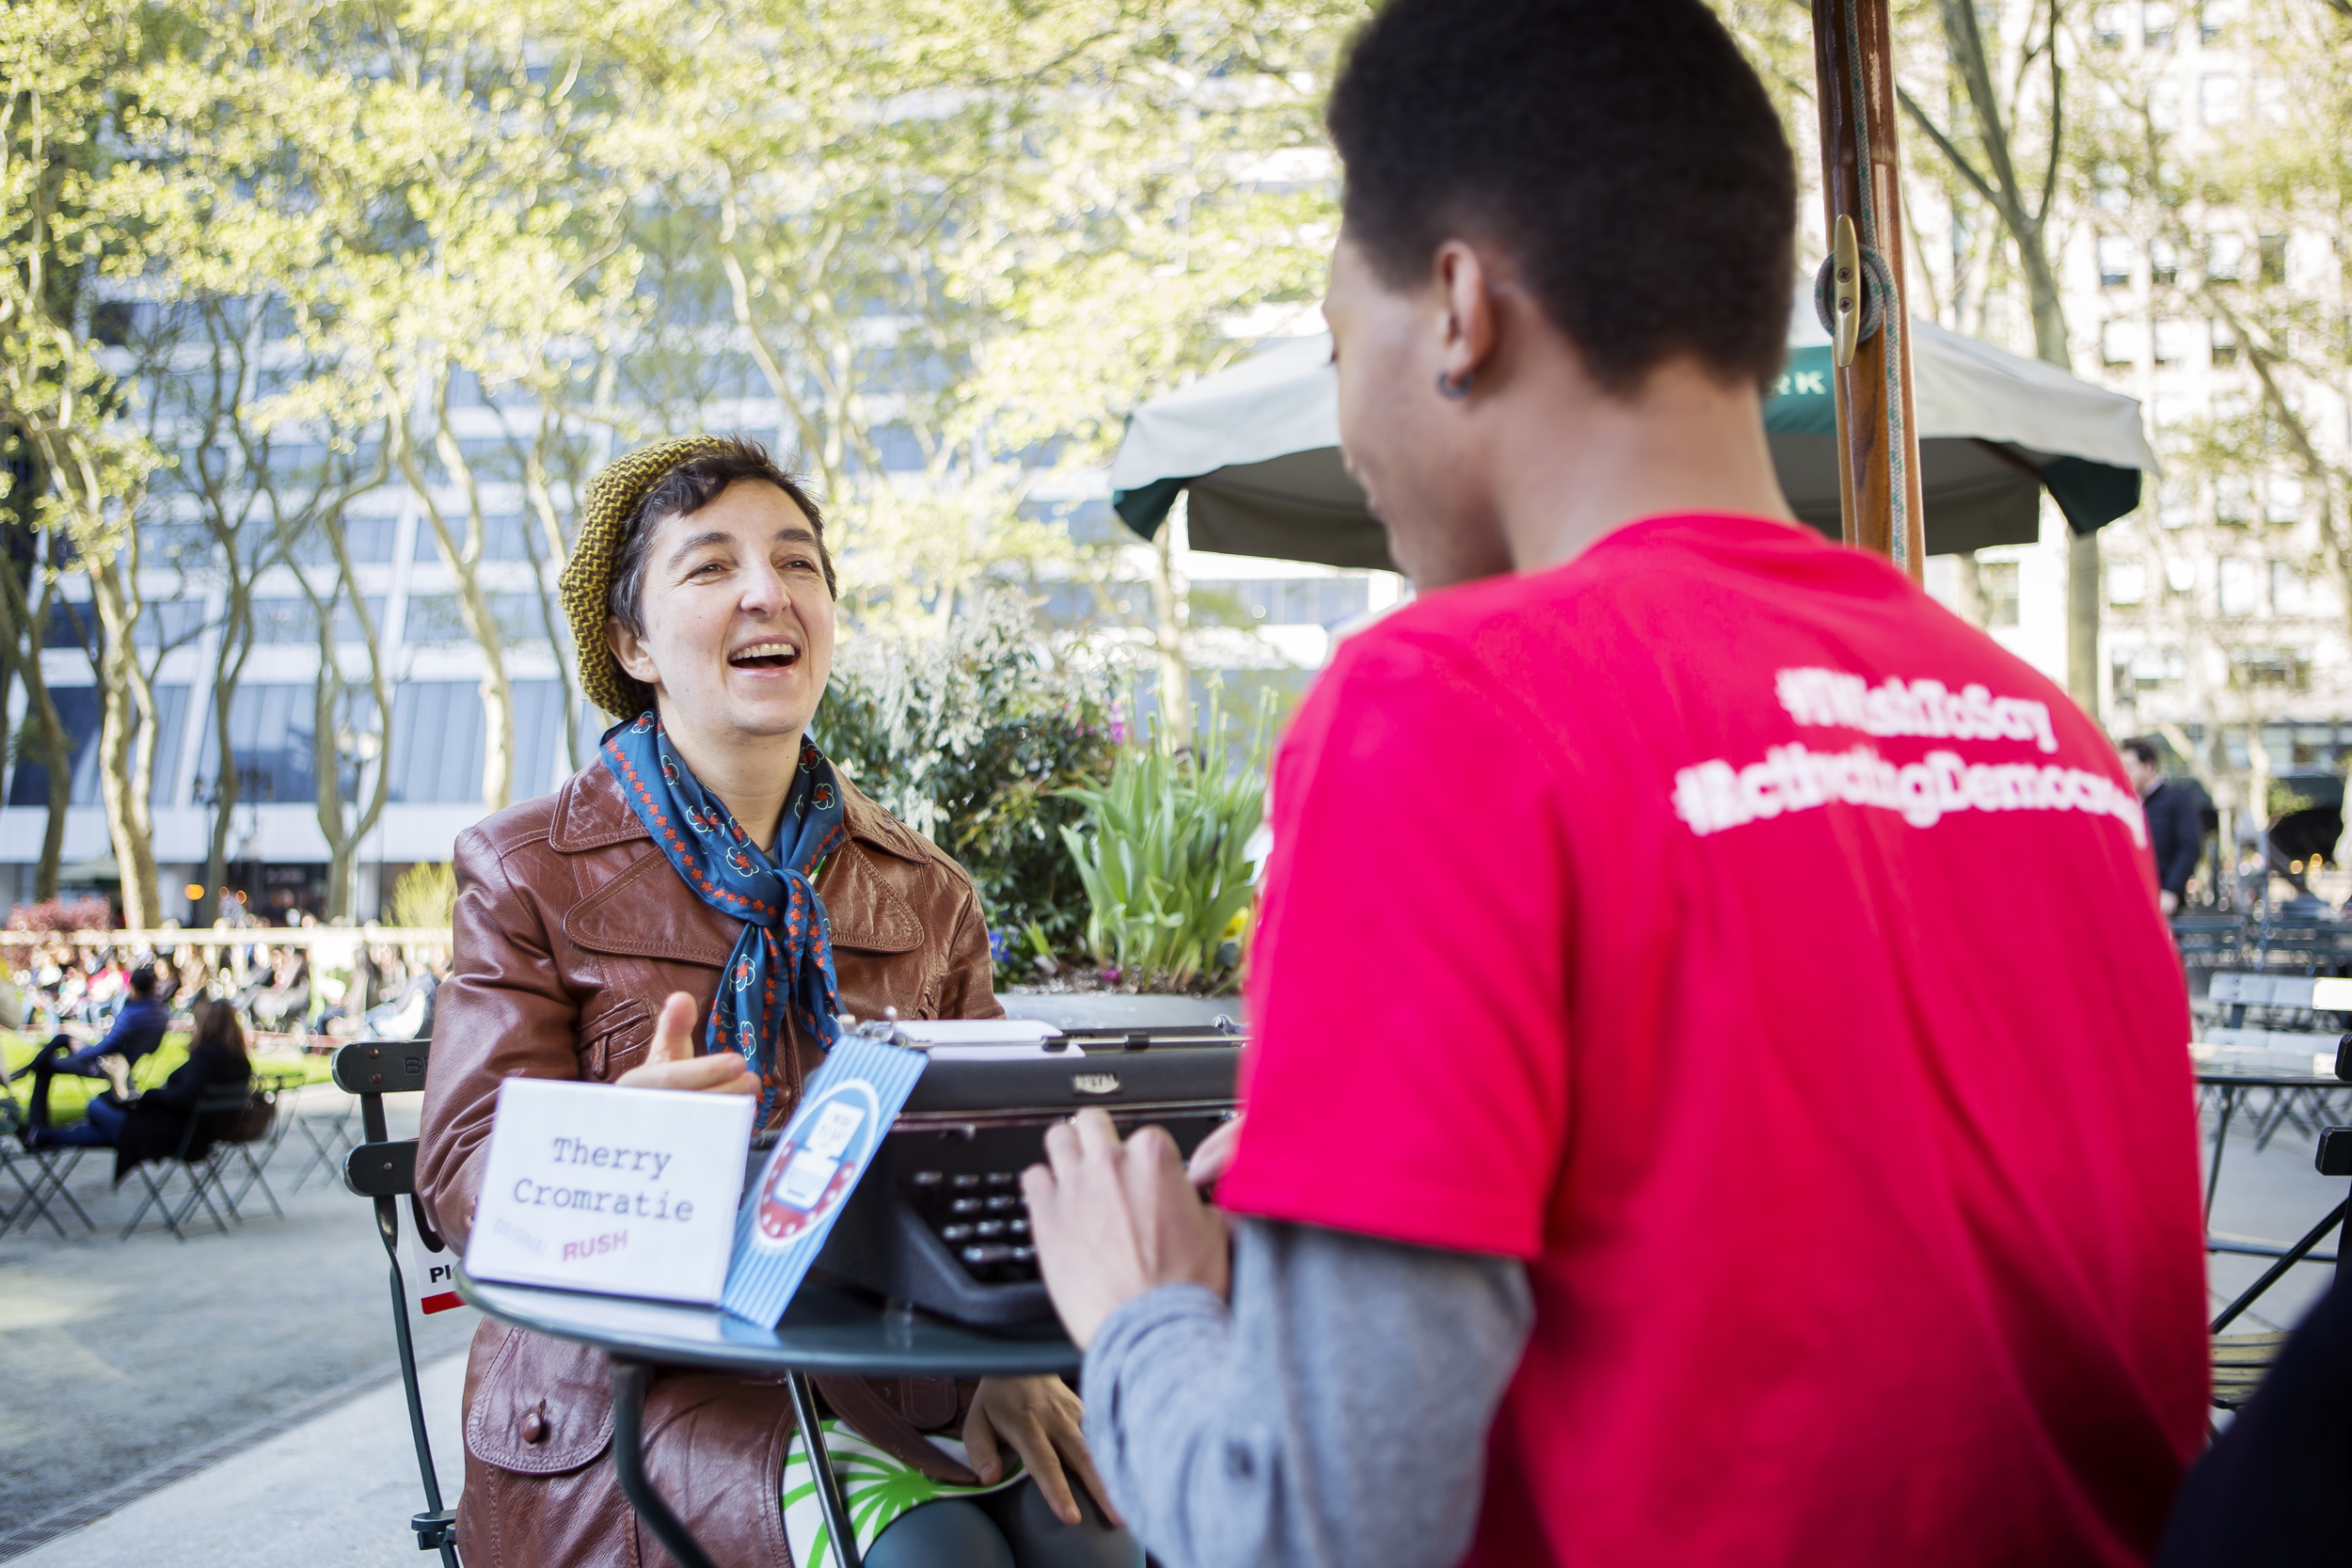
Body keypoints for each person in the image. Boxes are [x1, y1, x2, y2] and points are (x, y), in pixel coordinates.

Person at [1020, 5, 2207, 1567]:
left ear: (1456, 308)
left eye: (1333, 346)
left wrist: (1143, 1317)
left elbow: (1312, 1531)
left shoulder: (1438, 703)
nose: (1346, 423)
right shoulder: (2046, 738)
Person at [416, 436, 1132, 1568]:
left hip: (886, 1366)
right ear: (631, 642)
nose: (768, 590)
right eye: (710, 567)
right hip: (632, 1391)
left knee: (1090, 1529)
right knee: (930, 1555)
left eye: (798, 562)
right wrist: (621, 1144)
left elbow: (994, 1154)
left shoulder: (923, 888)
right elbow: (461, 1168)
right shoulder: (526, 868)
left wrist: (1009, 1354)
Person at [30, 997, 250, 1164]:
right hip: (205, 1136)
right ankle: (43, 1136)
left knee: (96, 1105)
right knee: (112, 1132)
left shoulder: (206, 1058)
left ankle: (42, 1136)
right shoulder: (240, 1062)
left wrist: (150, 1096)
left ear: (206, 1024)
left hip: (178, 1137)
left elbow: (184, 1097)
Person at [10, 964, 170, 1138]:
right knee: (63, 1038)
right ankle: (28, 1069)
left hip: (107, 1065)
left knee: (46, 1065)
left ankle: (37, 1126)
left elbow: (105, 1048)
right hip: (126, 1061)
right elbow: (145, 1048)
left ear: (132, 987)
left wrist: (82, 1051)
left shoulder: (131, 1014)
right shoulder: (161, 1013)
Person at [2122, 739, 2202, 917]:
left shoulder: (2177, 800)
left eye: (2129, 767)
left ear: (2149, 766)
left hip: (2164, 902)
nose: (2124, 774)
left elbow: (2189, 848)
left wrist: (2171, 890)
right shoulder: (2126, 804)